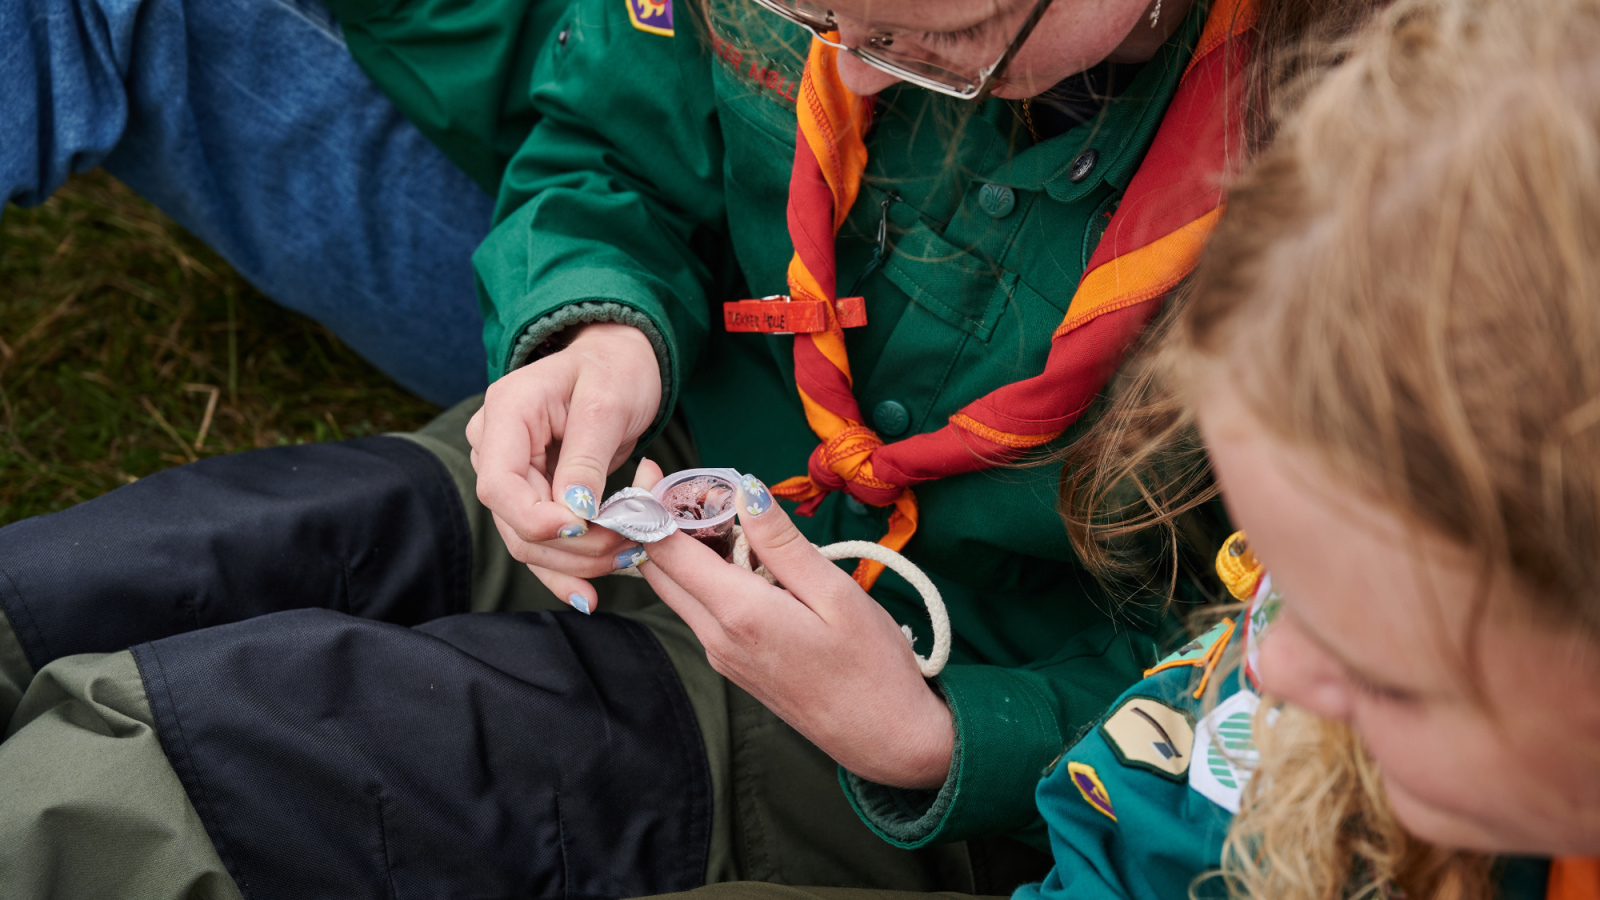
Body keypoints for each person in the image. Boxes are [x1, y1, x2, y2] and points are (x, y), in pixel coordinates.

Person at [0, 0, 1378, 897]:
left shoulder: (1392, 209)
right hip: (656, 478)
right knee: (96, 589)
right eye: (809, 14)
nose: (852, 47)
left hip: (881, 727)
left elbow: (1278, 690)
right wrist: (593, 327)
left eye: (936, 38)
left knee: (136, 783)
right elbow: (608, 132)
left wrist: (944, 737)